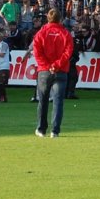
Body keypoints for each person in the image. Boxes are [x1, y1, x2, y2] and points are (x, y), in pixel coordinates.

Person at [33, 8, 73, 138]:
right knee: (58, 101)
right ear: (60, 19)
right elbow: (68, 52)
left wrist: (48, 66)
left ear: (47, 18)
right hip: (60, 70)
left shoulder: (41, 33)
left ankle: (41, 129)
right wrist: (56, 65)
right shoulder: (65, 33)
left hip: (44, 71)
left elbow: (37, 52)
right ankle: (55, 131)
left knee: (43, 101)